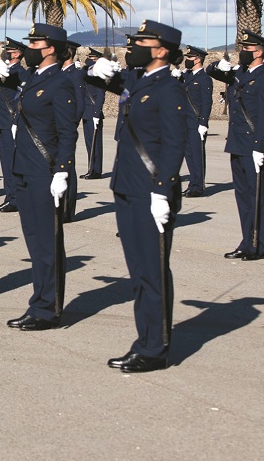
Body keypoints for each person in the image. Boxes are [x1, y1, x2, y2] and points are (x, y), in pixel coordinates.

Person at [105, 20, 187, 373]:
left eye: (141, 41)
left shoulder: (169, 89)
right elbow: (101, 81)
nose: (133, 45)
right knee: (138, 270)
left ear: (162, 49)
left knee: (152, 271)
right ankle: (145, 340)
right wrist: (100, 70)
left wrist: (162, 191)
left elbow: (174, 143)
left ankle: (155, 348)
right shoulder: (140, 81)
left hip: (149, 191)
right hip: (127, 186)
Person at [0, 24, 77, 330]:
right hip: (23, 168)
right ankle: (39, 302)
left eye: (35, 43)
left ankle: (49, 309)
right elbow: (0, 79)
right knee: (34, 242)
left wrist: (62, 171)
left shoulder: (61, 82)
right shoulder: (34, 77)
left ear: (51, 48)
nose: (29, 47)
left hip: (44, 171)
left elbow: (68, 133)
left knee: (48, 243)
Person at [206, 31, 264, 261]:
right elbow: (210, 70)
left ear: (260, 53)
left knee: (256, 197)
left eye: (247, 49)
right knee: (243, 197)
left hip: (253, 146)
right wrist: (221, 64)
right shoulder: (239, 74)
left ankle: (258, 245)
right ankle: (246, 241)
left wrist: (260, 146)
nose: (243, 52)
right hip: (237, 143)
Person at [0, 38, 27, 212]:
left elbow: (22, 96)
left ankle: (15, 198)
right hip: (2, 121)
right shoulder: (2, 69)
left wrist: (16, 121)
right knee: (6, 162)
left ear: (18, 54)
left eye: (10, 50)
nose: (6, 52)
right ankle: (10, 195)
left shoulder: (20, 72)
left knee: (12, 162)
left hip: (12, 122)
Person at [181, 45, 213, 198]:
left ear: (198, 59)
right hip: (184, 121)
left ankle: (198, 186)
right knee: (188, 154)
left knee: (197, 154)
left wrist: (203, 122)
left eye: (190, 58)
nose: (187, 60)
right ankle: (192, 183)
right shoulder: (186, 76)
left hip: (196, 122)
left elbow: (207, 102)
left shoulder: (204, 79)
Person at [59, 40, 85, 222]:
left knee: (68, 167)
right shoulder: (60, 74)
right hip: (56, 127)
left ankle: (67, 210)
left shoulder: (75, 75)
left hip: (65, 127)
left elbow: (79, 104)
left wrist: (69, 125)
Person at [80, 48, 107, 180]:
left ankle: (96, 171)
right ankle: (91, 169)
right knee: (89, 143)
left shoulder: (99, 76)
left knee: (96, 144)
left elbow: (100, 96)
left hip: (93, 113)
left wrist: (97, 113)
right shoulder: (88, 74)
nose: (90, 60)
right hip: (86, 113)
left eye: (93, 59)